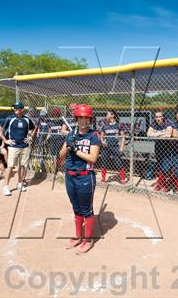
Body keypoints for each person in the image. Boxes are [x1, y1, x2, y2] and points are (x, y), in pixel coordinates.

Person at [57, 104, 101, 253]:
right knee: (76, 208)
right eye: (80, 117)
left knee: (86, 210)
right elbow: (61, 156)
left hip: (85, 177)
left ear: (90, 119)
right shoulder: (71, 134)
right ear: (76, 119)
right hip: (70, 176)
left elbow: (93, 158)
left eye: (86, 118)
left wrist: (76, 149)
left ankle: (88, 240)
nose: (83, 120)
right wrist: (68, 146)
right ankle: (78, 237)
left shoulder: (93, 136)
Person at [0, 101, 36, 196]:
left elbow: (34, 128)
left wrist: (31, 137)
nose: (15, 109)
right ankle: (6, 187)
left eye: (17, 108)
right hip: (13, 146)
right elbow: (0, 130)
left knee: (23, 165)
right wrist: (5, 140)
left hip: (24, 146)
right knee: (10, 166)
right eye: (14, 108)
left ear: (22, 109)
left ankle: (20, 183)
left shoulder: (27, 119)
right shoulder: (10, 119)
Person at [147, 111, 173, 193]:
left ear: (163, 117)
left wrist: (156, 133)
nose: (158, 118)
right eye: (156, 117)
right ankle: (161, 185)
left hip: (168, 148)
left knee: (166, 168)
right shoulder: (154, 123)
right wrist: (161, 134)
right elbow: (148, 134)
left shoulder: (168, 122)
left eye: (160, 116)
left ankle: (162, 185)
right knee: (160, 167)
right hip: (158, 147)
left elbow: (168, 135)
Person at [98, 110, 126, 184]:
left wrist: (122, 147)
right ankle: (103, 179)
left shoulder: (118, 125)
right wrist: (102, 141)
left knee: (118, 162)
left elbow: (123, 136)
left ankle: (123, 179)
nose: (106, 116)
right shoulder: (104, 125)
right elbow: (101, 136)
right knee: (104, 162)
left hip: (115, 146)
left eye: (107, 115)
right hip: (106, 147)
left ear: (112, 115)